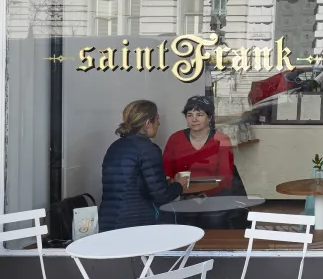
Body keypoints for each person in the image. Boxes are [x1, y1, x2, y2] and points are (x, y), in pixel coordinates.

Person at [99, 100, 186, 231]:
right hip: (136, 222)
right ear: (147, 123)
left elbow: (128, 184)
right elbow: (160, 196)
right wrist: (179, 185)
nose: (159, 123)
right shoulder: (148, 149)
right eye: (157, 119)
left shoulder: (114, 147)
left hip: (108, 220)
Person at [162, 94, 240, 193]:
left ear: (210, 117)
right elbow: (166, 173)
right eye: (190, 115)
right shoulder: (175, 139)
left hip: (213, 198)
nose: (194, 119)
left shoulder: (221, 139)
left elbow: (226, 178)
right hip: (181, 197)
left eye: (199, 115)